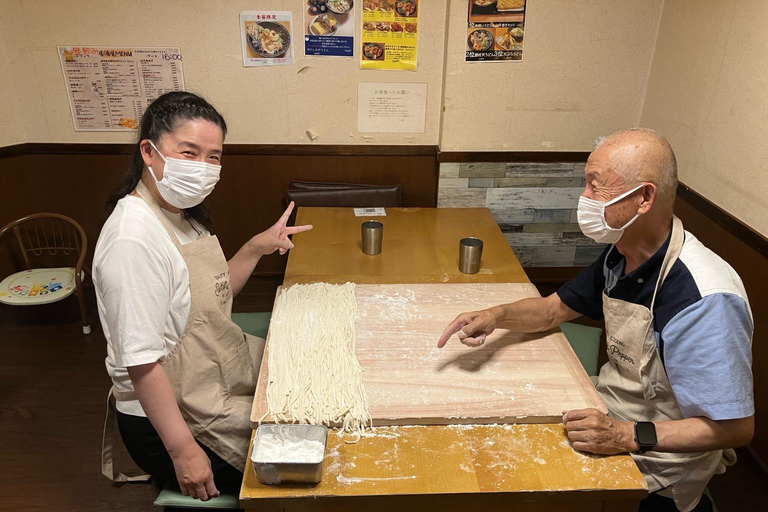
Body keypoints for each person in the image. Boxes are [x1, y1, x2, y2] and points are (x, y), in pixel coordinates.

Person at [437, 128, 754, 512]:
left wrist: (625, 435)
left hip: (658, 463)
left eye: (595, 187)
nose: (583, 199)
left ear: (643, 198)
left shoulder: (702, 298)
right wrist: (496, 315)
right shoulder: (620, 254)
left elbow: (735, 428)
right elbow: (553, 310)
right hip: (606, 409)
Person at [94, 92, 312, 501]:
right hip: (172, 419)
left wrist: (253, 248)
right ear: (150, 151)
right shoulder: (132, 240)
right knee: (308, 451)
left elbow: (208, 297)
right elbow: (141, 363)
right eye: (189, 152)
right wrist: (184, 453)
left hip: (210, 369)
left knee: (308, 383)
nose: (203, 167)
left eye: (213, 157)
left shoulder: (180, 213)